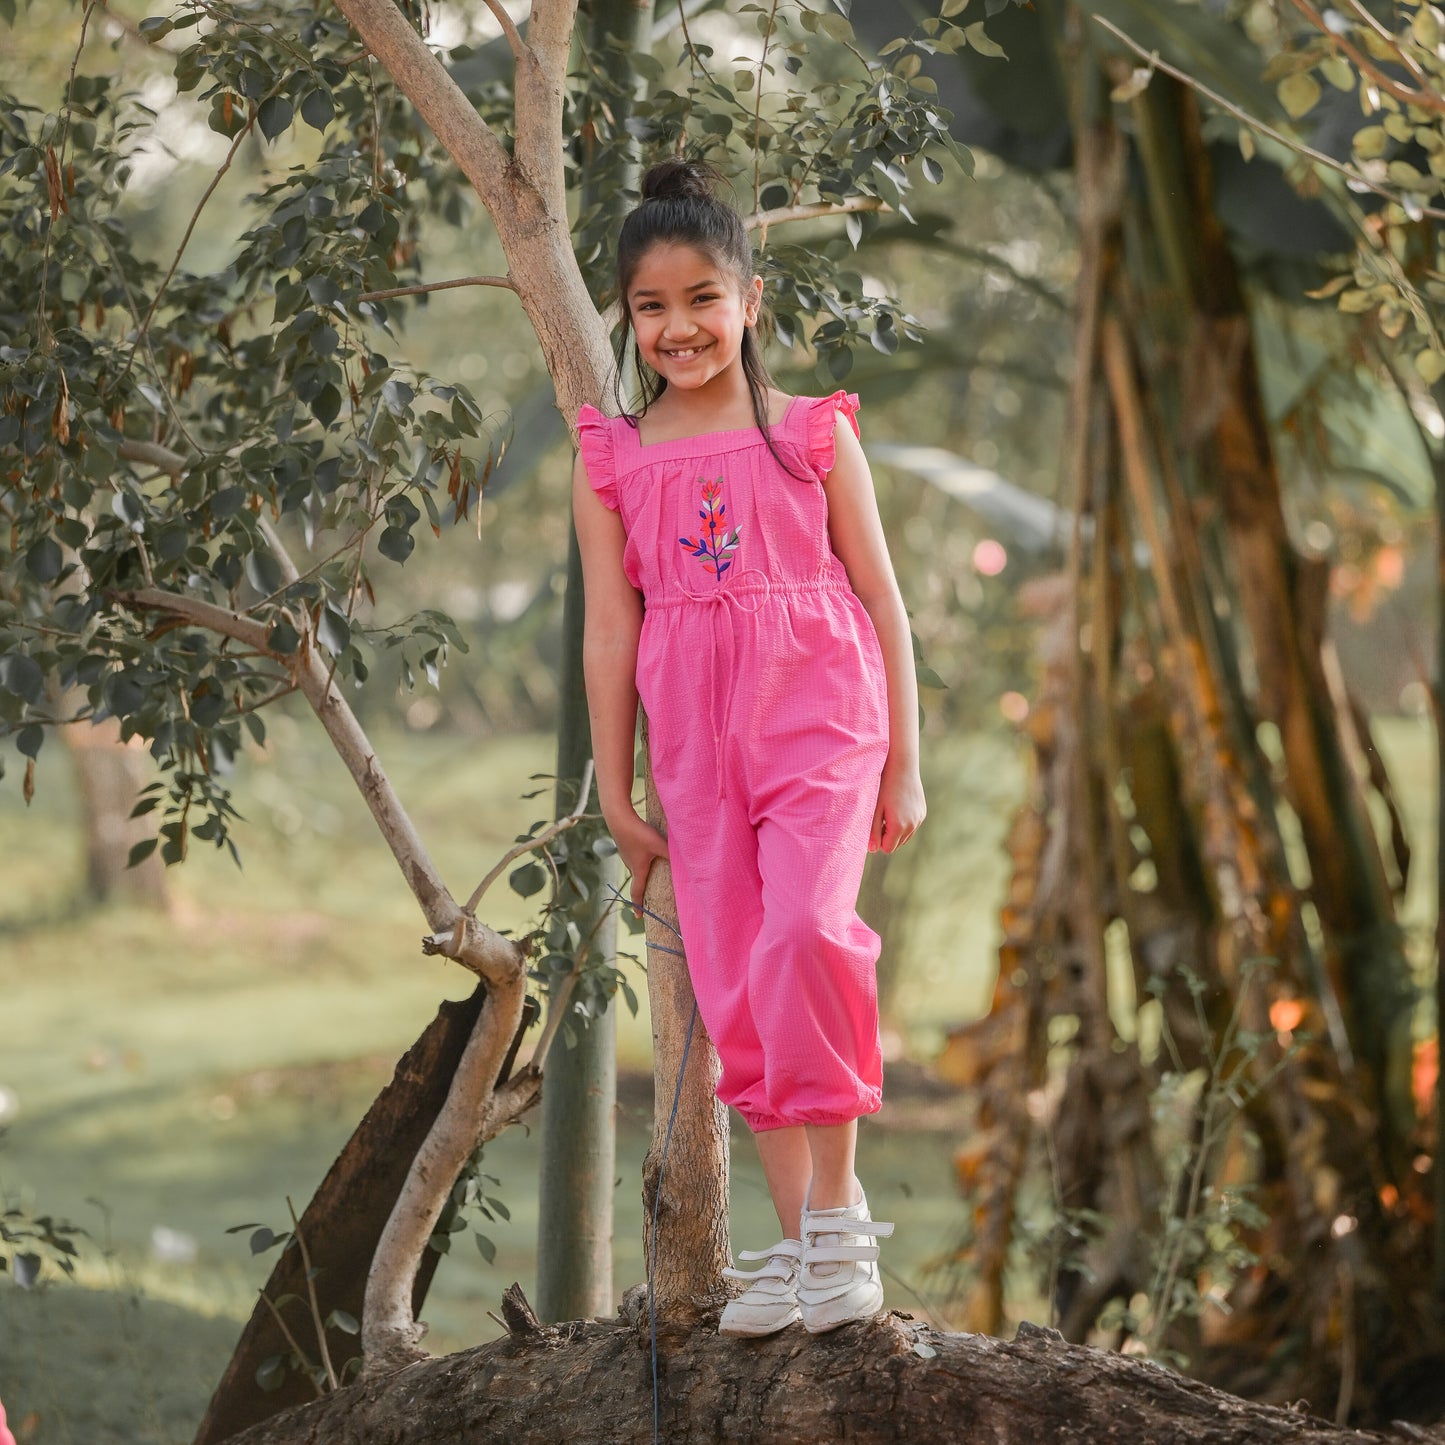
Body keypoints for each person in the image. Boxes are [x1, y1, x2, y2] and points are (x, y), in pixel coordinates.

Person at [572, 158, 925, 1336]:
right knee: (733, 986)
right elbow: (608, 628)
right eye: (652, 306)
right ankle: (800, 1249)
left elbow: (881, 600)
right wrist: (616, 790)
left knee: (806, 935)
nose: (679, 327)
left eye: (702, 299)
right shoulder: (613, 458)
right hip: (690, 739)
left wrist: (903, 759)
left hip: (818, 711)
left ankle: (837, 1226)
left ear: (750, 300)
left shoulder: (808, 434)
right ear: (628, 315)